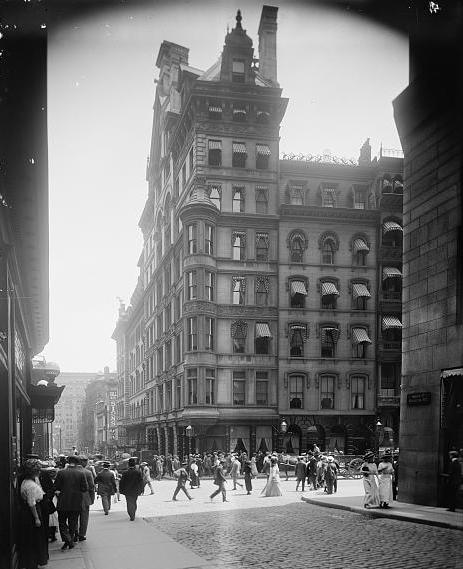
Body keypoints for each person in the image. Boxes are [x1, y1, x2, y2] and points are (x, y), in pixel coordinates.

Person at [19, 458, 49, 569]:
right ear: (34, 472)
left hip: (30, 511)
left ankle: (33, 562)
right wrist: (36, 518)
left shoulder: (27, 482)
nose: (40, 472)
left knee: (32, 539)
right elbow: (31, 503)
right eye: (38, 470)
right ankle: (33, 562)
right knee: (35, 539)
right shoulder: (30, 485)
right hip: (32, 512)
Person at [54, 455, 88, 550]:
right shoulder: (81, 474)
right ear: (77, 463)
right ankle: (70, 540)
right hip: (76, 502)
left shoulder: (61, 473)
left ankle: (67, 540)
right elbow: (85, 488)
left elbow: (56, 486)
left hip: (63, 502)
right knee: (73, 522)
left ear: (68, 462)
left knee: (62, 522)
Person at [75, 456, 95, 541]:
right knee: (84, 517)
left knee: (74, 517)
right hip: (85, 497)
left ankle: (74, 533)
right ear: (82, 462)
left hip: (73, 497)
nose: (87, 463)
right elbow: (91, 487)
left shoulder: (72, 471)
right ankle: (82, 534)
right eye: (86, 461)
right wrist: (92, 498)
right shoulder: (87, 472)